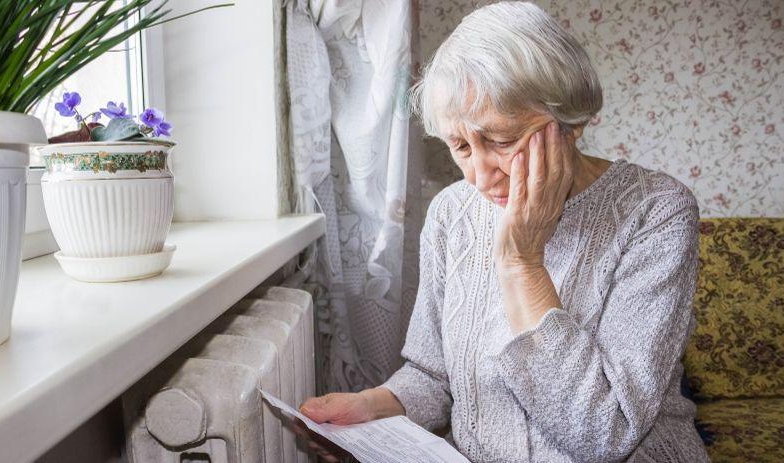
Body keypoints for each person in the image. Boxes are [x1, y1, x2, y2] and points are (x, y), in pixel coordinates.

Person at [297, 2, 711, 461]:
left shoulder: (655, 212)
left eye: (501, 140)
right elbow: (434, 377)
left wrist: (522, 263)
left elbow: (603, 434)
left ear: (570, 122)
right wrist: (373, 406)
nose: (479, 175)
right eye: (460, 146)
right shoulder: (451, 214)